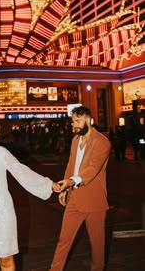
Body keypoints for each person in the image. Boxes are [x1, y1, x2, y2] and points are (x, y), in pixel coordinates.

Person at [0, 115, 61, 271]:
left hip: (2, 215)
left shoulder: (0, 153)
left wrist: (48, 185)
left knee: (5, 259)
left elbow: (21, 172)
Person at [49, 106, 111, 271]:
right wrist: (65, 189)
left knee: (97, 244)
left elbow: (93, 168)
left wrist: (71, 181)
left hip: (94, 200)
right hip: (74, 198)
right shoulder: (75, 141)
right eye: (72, 121)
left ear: (89, 120)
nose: (73, 125)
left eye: (77, 121)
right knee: (64, 239)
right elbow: (71, 165)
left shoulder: (102, 142)